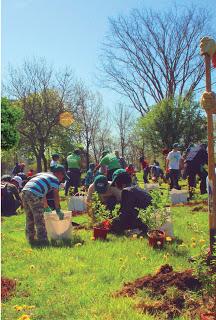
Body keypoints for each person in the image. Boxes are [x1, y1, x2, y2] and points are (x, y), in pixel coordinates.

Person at [21, 165, 66, 245]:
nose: (62, 179)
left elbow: (43, 194)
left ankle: (30, 239)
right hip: (34, 193)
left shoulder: (44, 175)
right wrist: (58, 209)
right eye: (63, 176)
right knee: (40, 219)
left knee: (29, 217)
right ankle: (43, 241)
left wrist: (46, 206)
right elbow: (56, 195)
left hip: (24, 192)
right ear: (59, 173)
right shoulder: (55, 179)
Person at [110, 169, 152, 234]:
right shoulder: (135, 188)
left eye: (115, 184)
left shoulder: (127, 191)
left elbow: (125, 213)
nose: (115, 186)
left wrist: (112, 221)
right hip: (150, 218)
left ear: (121, 183)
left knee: (115, 223)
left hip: (144, 221)